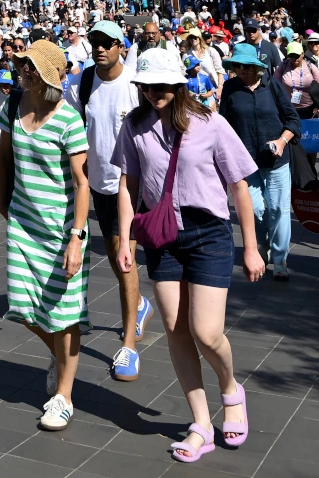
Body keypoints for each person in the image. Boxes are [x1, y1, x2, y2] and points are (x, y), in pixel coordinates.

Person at [113, 48, 264, 463]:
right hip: (161, 235)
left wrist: (250, 248)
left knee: (206, 331)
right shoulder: (135, 126)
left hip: (208, 233)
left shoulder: (209, 123)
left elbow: (239, 187)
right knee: (176, 330)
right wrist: (125, 241)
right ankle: (200, 423)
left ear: (178, 84)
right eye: (145, 86)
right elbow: (128, 185)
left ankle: (231, 389)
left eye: (160, 85)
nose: (152, 93)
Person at [0, 40, 91, 432]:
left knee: (63, 315)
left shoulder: (69, 119)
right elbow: (4, 156)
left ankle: (64, 396)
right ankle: (61, 357)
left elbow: (82, 183)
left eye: (31, 66)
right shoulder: (13, 106)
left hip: (60, 228)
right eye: (22, 64)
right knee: (23, 306)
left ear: (47, 74)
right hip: (22, 223)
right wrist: (2, 202)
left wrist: (77, 237)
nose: (23, 71)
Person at [65, 21, 151, 383]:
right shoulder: (84, 82)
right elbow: (70, 120)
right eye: (94, 42)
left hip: (131, 188)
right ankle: (140, 305)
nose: (99, 48)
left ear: (121, 46)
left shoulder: (134, 85)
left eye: (106, 43)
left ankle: (128, 344)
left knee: (125, 260)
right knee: (120, 259)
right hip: (98, 187)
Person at [217, 44, 299, 279]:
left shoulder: (272, 86)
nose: (240, 70)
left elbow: (292, 119)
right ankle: (262, 243)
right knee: (253, 209)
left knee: (279, 209)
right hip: (245, 161)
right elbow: (224, 126)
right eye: (236, 66)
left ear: (256, 68)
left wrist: (282, 141)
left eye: (245, 66)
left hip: (276, 160)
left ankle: (280, 258)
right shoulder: (231, 89)